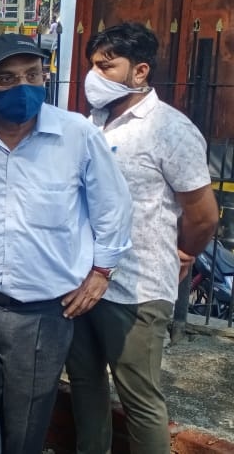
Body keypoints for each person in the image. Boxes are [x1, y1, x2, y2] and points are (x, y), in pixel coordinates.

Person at [0, 33, 134, 454]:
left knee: (26, 428)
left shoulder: (76, 135)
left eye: (33, 74)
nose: (23, 86)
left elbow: (113, 206)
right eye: (7, 78)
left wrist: (102, 272)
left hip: (43, 315)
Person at [67, 23, 218, 454]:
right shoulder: (88, 124)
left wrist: (185, 251)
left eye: (105, 66)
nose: (94, 76)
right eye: (92, 67)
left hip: (136, 288)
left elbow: (204, 215)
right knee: (85, 385)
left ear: (139, 72)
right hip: (81, 282)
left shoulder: (170, 129)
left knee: (139, 399)